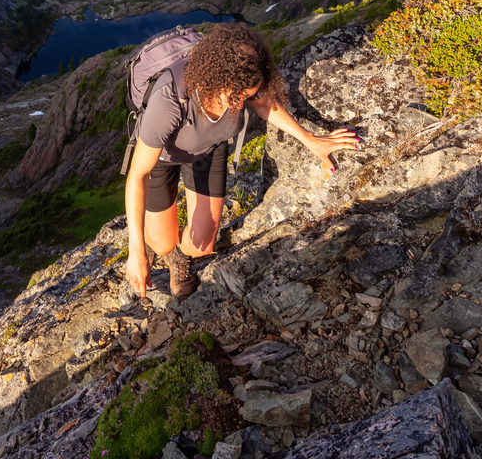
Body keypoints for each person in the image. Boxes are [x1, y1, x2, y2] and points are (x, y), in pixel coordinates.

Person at [125, 23, 359, 299]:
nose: (238, 105)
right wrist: (136, 251)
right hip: (164, 156)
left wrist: (310, 139)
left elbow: (263, 104)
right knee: (161, 243)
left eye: (245, 96)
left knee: (202, 246)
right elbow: (137, 174)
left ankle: (179, 254)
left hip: (208, 150)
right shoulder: (171, 98)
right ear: (214, 77)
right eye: (233, 96)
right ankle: (165, 248)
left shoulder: (244, 81)